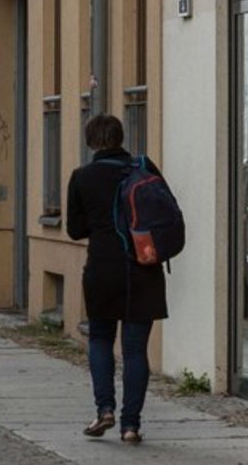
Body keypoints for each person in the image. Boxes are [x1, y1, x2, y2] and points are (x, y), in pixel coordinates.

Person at [65, 113, 167, 445]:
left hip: (102, 270)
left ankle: (104, 409)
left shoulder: (82, 177)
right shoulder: (143, 170)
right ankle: (131, 426)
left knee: (99, 339)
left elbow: (75, 230)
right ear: (121, 138)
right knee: (136, 350)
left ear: (91, 141)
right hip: (143, 268)